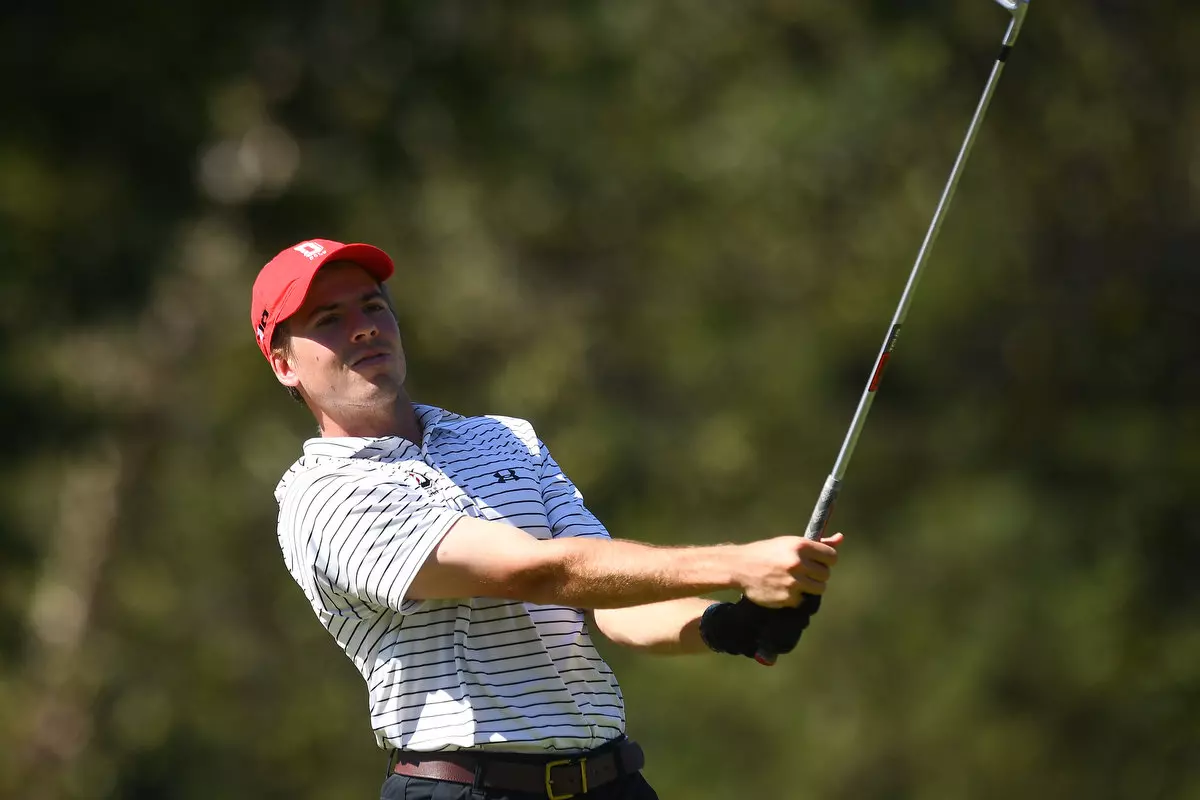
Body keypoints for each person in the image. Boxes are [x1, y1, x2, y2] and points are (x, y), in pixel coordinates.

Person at [251, 238, 844, 799]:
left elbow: (606, 601)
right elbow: (535, 573)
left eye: (374, 305)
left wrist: (727, 625)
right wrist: (739, 564)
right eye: (327, 319)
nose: (363, 325)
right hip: (467, 787)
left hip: (613, 779)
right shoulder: (322, 497)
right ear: (284, 365)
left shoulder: (503, 438)